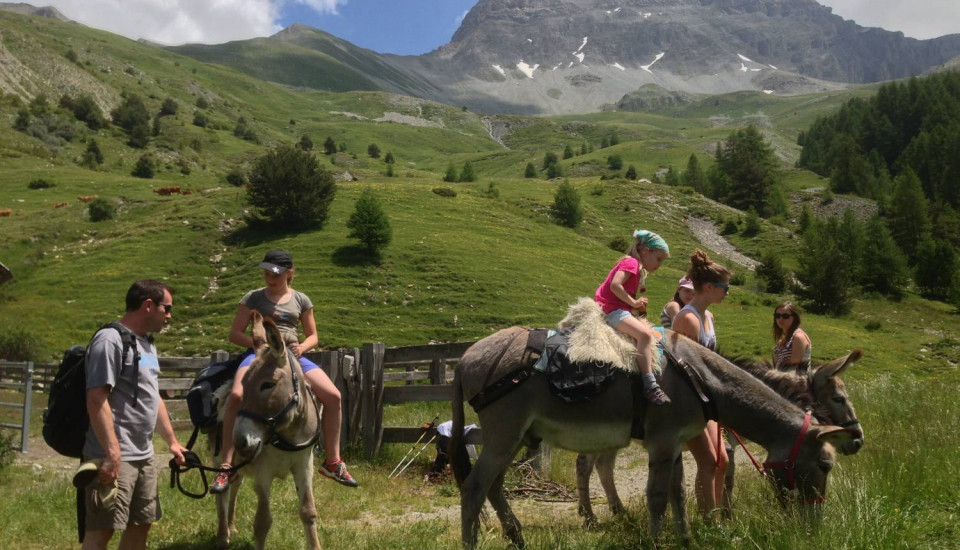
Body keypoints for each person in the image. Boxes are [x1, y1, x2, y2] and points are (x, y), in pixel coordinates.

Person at [211, 250, 358, 492]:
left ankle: (332, 461)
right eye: (267, 272)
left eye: (276, 273)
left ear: (290, 272)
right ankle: (226, 467)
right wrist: (260, 346)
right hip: (258, 356)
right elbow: (235, 333)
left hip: (292, 356)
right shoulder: (253, 297)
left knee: (333, 397)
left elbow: (313, 336)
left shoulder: (301, 299)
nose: (270, 277)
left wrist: (301, 347)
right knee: (236, 396)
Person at [81, 280, 187, 550]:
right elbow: (96, 399)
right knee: (101, 530)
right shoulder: (109, 341)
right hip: (113, 455)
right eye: (167, 308)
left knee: (141, 523)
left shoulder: (147, 345)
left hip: (144, 456)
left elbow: (154, 396)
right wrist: (112, 453)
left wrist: (172, 442)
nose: (169, 316)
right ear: (148, 305)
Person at [671, 250, 732, 520]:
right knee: (708, 462)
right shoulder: (689, 319)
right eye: (724, 288)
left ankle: (714, 517)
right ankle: (709, 524)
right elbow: (688, 368)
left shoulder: (708, 317)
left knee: (723, 461)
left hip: (705, 400)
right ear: (709, 287)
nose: (727, 293)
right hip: (688, 400)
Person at [595, 230, 671, 404]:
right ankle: (650, 384)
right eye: (658, 258)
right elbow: (615, 286)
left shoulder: (632, 264)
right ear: (646, 251)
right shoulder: (632, 263)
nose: (659, 264)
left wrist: (634, 303)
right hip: (612, 310)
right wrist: (634, 303)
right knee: (644, 335)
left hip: (615, 308)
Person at [772, 301, 811, 370]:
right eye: (777, 316)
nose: (780, 319)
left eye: (785, 316)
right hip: (781, 377)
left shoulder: (798, 336)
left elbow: (795, 361)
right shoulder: (783, 339)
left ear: (794, 318)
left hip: (797, 378)